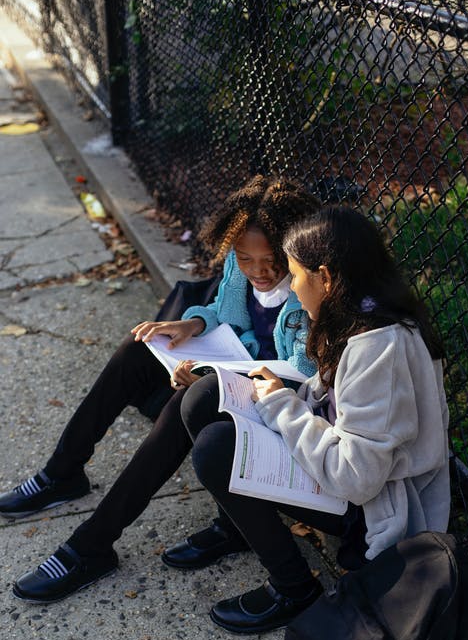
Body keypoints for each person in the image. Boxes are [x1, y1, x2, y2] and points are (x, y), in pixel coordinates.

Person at [8, 175, 321, 603]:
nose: (259, 272)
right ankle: (62, 472)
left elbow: (303, 379)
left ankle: (91, 545)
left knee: (185, 403)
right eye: (245, 259)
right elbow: (226, 314)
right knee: (141, 346)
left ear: (294, 251)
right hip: (235, 373)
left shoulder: (310, 289)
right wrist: (191, 324)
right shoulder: (240, 265)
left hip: (283, 410)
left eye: (271, 261)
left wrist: (220, 380)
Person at [177, 205, 451, 634]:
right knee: (205, 398)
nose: (292, 289)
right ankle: (238, 527)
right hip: (348, 474)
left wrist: (282, 407)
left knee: (216, 449)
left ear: (325, 277)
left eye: (295, 275)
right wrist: (284, 394)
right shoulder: (361, 315)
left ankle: (293, 588)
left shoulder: (378, 348)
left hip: (375, 512)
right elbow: (338, 409)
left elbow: (357, 477)